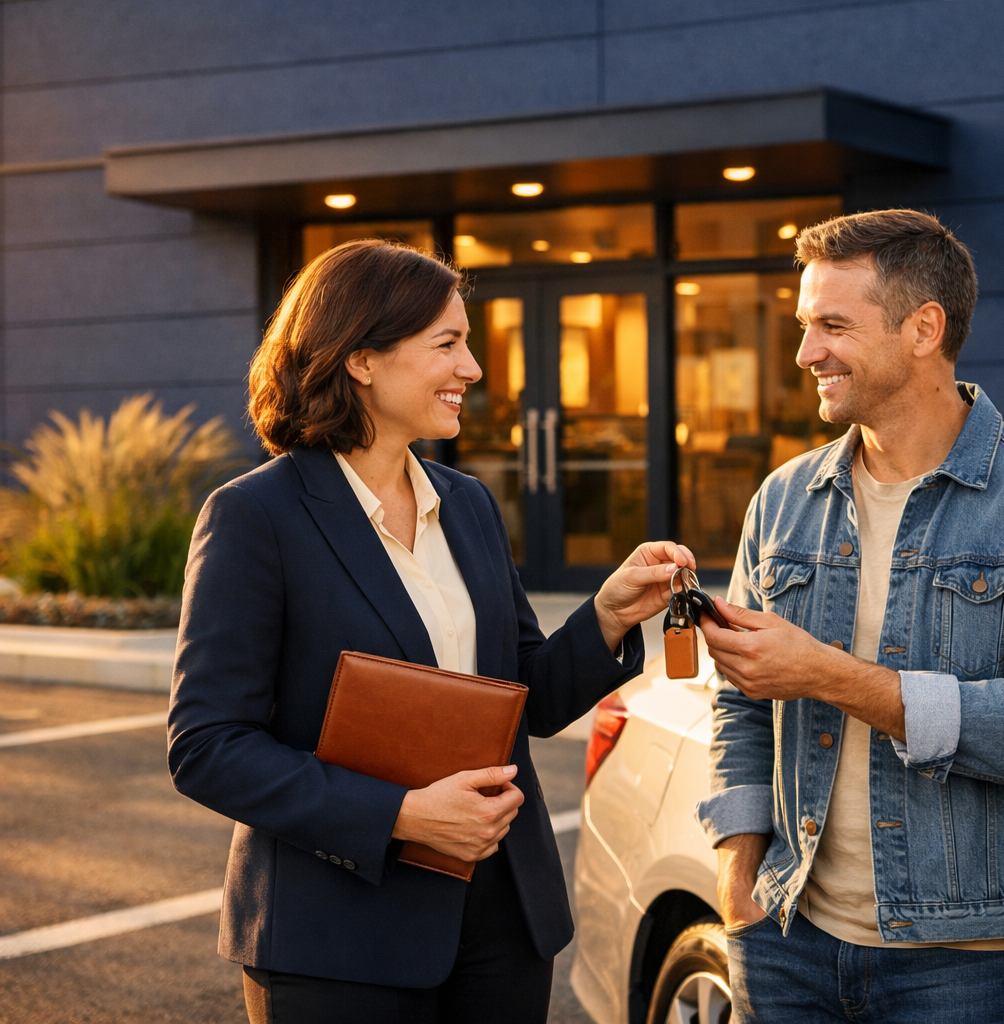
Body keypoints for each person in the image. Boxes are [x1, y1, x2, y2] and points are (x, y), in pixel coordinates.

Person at [168, 239, 694, 1024]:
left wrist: (609, 615)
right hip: (337, 941)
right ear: (362, 359)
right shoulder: (254, 517)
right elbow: (208, 747)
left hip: (501, 927)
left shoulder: (470, 504)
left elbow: (523, 697)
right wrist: (402, 816)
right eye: (448, 344)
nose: (473, 369)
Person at [695, 210, 1004, 1023]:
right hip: (789, 937)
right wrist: (738, 879)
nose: (804, 353)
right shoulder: (786, 500)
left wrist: (834, 678)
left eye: (832, 325)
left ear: (924, 328)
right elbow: (741, 705)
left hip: (964, 965)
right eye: (803, 325)